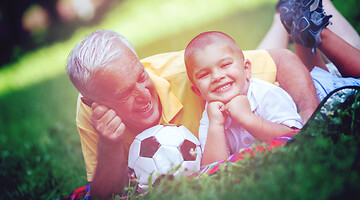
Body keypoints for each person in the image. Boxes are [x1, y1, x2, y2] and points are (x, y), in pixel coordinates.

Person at [66, 30, 317, 199]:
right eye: (124, 94)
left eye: (141, 77)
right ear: (93, 102)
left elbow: (282, 60)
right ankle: (281, 20)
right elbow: (105, 195)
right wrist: (109, 145)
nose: (143, 93)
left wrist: (313, 124)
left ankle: (289, 19)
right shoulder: (92, 113)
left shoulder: (193, 74)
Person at [183, 31, 303, 165]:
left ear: (246, 69)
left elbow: (296, 139)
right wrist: (216, 125)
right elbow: (213, 171)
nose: (217, 76)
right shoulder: (210, 117)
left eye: (225, 65)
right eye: (205, 74)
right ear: (197, 91)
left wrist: (247, 118)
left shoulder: (266, 94)